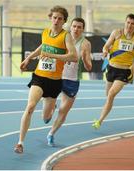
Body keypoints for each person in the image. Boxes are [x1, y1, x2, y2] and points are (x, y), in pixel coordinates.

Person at [14, 6, 77, 153]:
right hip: (39, 77)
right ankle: (20, 143)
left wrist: (54, 56)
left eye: (60, 18)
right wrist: (28, 58)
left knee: (46, 117)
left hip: (54, 82)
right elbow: (43, 47)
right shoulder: (45, 32)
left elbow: (74, 56)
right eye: (54, 17)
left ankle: (51, 108)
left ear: (64, 21)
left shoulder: (65, 36)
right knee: (30, 107)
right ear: (50, 18)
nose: (56, 21)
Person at [92, 13, 134, 129]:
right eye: (128, 22)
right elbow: (106, 46)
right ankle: (106, 111)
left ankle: (99, 121)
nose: (129, 25)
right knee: (108, 96)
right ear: (125, 22)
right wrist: (105, 51)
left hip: (124, 72)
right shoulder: (116, 33)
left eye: (132, 24)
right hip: (112, 68)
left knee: (110, 95)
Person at [46, 17, 92, 146]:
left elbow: (89, 67)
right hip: (57, 76)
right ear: (70, 27)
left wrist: (84, 58)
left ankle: (51, 134)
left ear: (83, 29)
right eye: (74, 26)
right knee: (49, 106)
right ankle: (50, 108)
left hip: (72, 80)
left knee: (63, 111)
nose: (76, 29)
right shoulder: (63, 37)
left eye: (79, 27)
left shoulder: (85, 44)